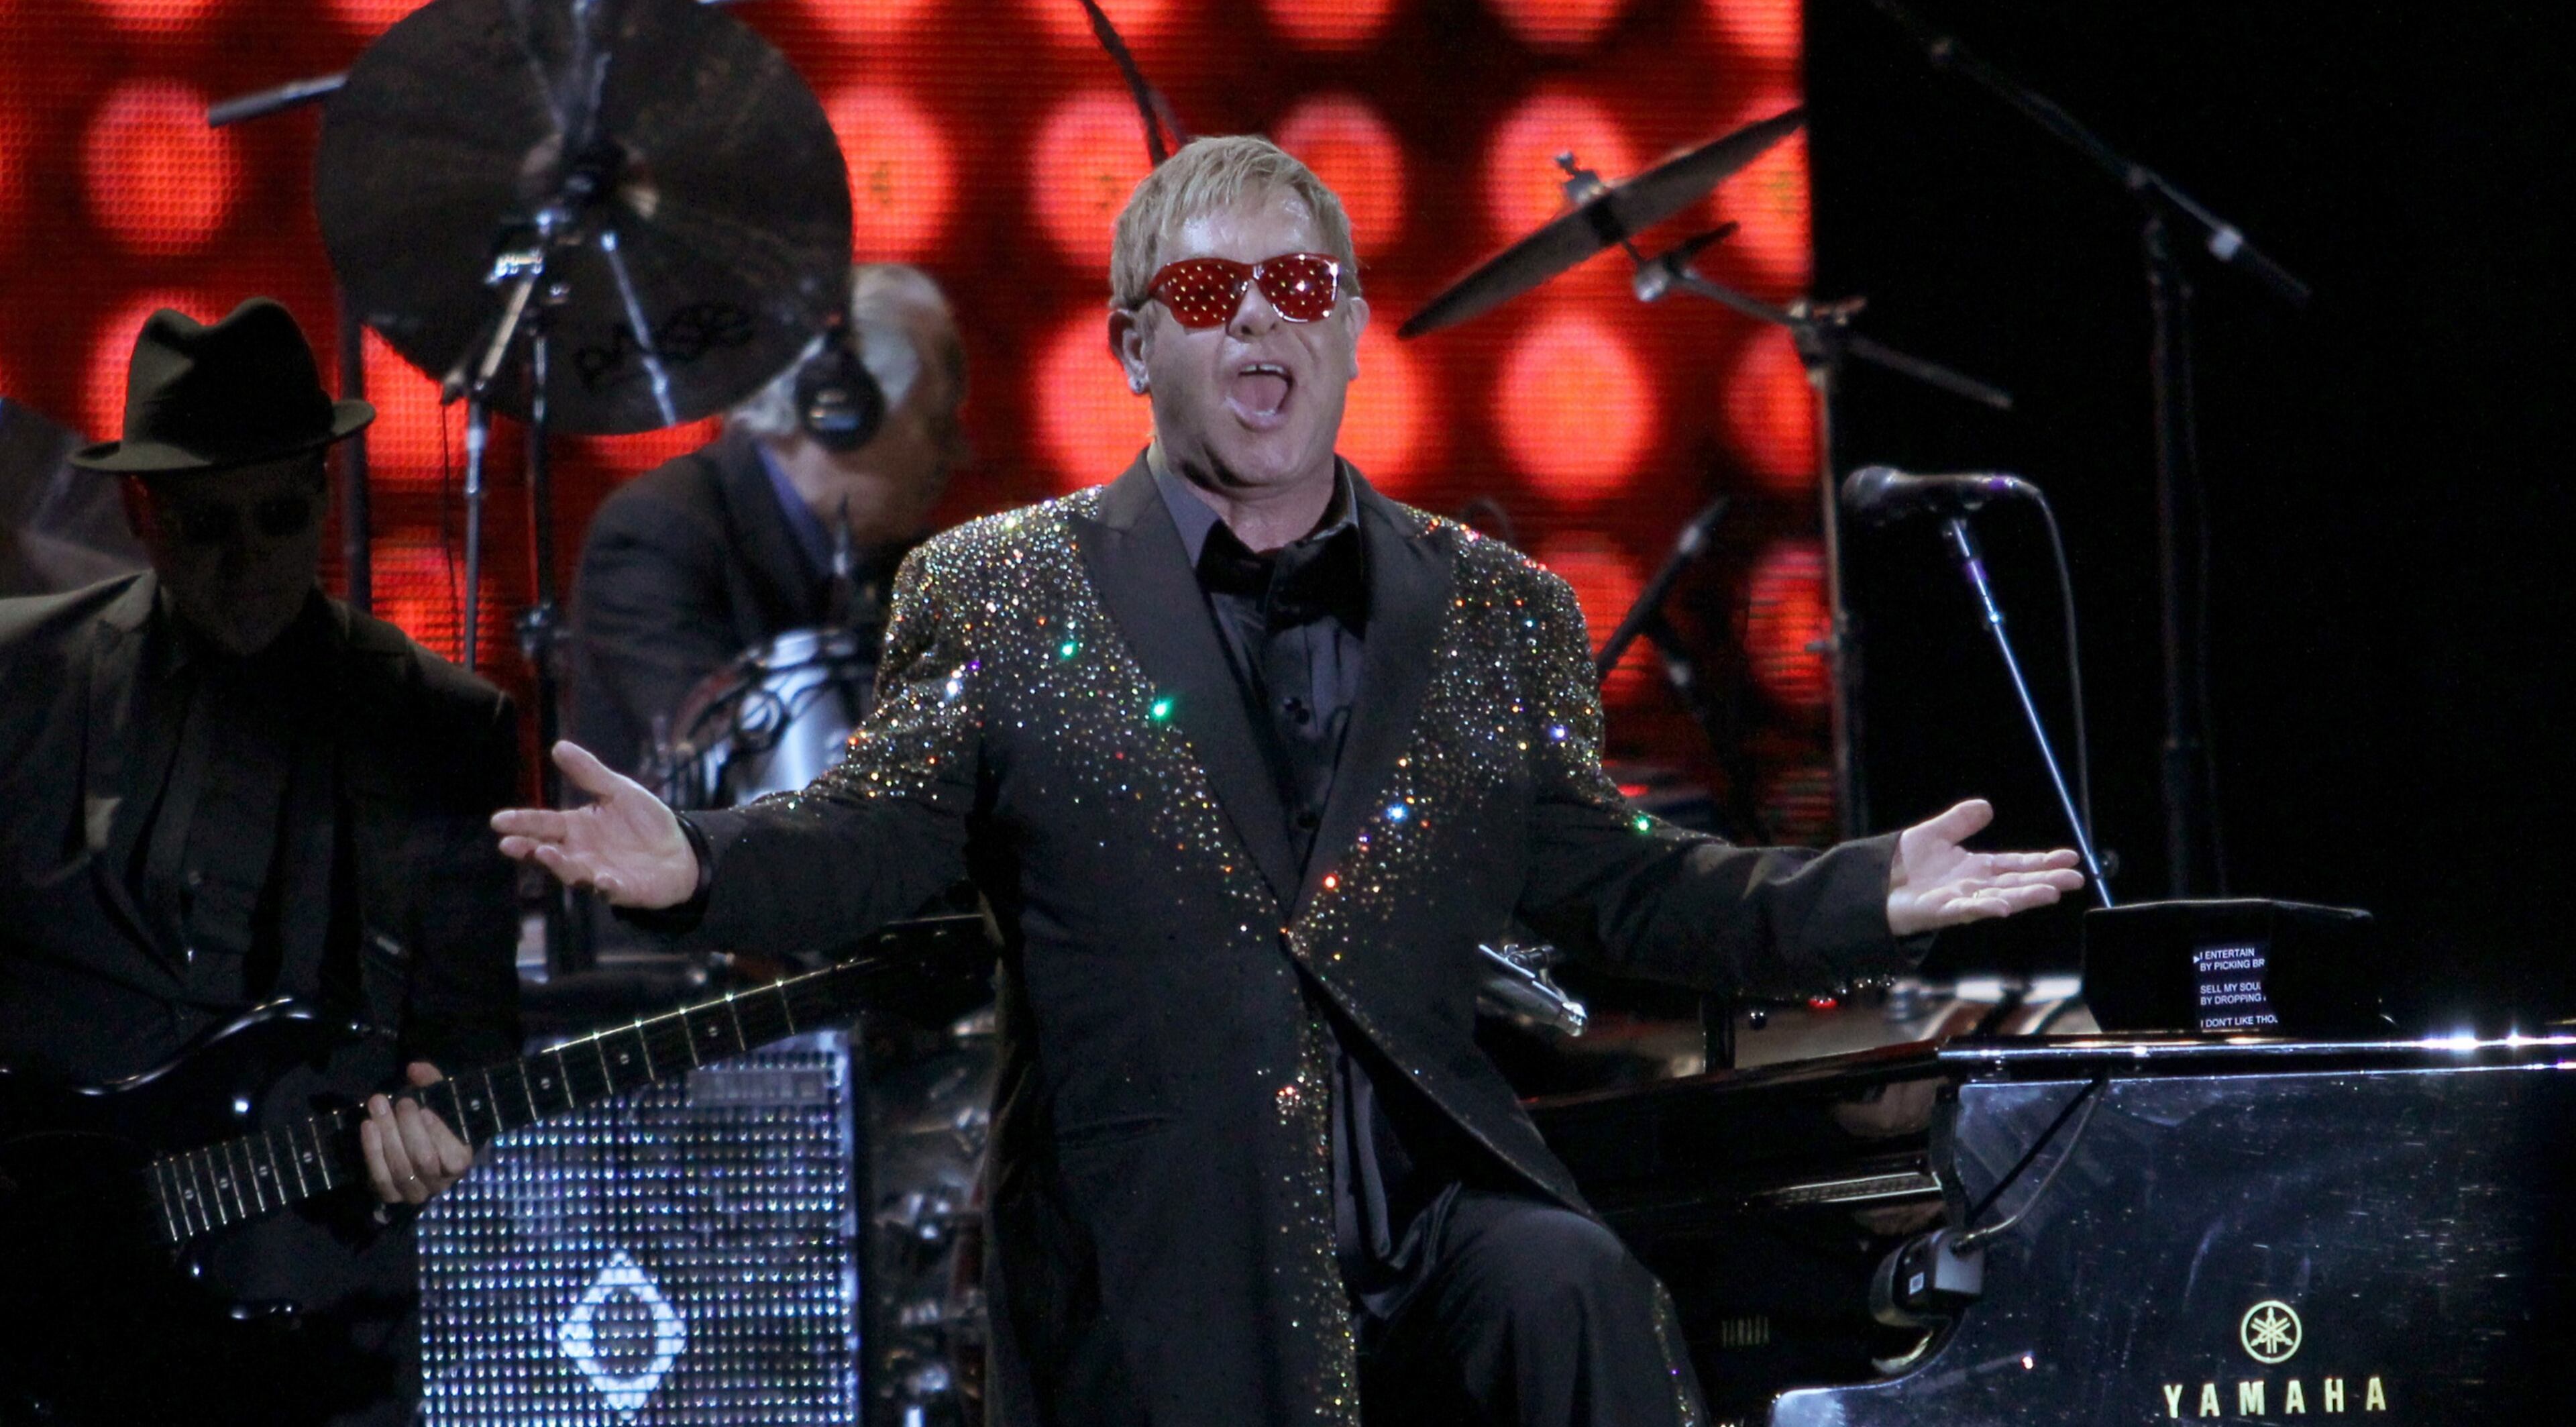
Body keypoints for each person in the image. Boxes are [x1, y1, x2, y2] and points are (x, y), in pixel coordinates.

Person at [494, 138, 2085, 1427]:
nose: (1260, 320)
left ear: (1339, 327)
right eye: (1209, 287)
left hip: (1423, 1192)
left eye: (1297, 284)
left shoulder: (1489, 605)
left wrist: (1860, 891)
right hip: (1158, 1206)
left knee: (1571, 1285)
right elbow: (873, 831)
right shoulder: (998, 588)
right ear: (1132, 341)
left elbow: (1623, 882)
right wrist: (697, 861)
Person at [0, 299, 518, 1425]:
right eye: (206, 525)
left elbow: (470, 1036)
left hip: (308, 1301)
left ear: (327, 496)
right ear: (142, 511)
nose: (247, 563)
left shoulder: (439, 726)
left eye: (279, 517)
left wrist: (436, 1126)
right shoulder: (17, 677)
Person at [568, 263, 971, 782]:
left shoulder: (914, 564)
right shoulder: (655, 537)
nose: (958, 454)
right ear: (840, 412)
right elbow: (730, 770)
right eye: (936, 424)